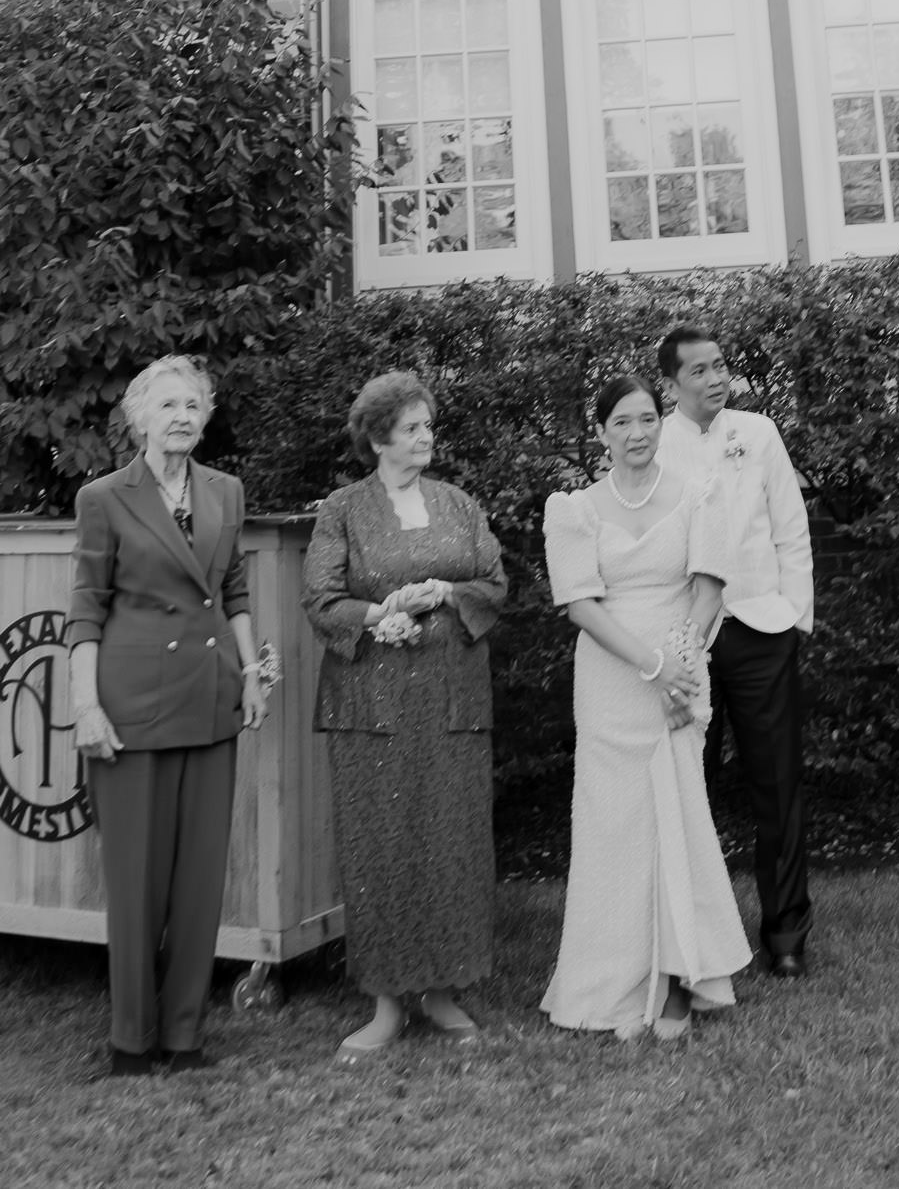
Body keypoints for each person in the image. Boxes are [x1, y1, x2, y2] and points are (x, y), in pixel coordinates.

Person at [66, 354, 269, 1075]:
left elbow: (235, 589)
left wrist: (251, 672)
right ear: (139, 418)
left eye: (193, 405)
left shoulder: (225, 490)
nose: (182, 416)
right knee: (135, 880)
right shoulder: (104, 497)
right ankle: (130, 1040)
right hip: (131, 707)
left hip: (211, 698)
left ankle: (183, 1038)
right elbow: (86, 608)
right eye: (168, 405)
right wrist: (85, 706)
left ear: (205, 416)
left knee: (199, 879)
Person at [302, 371, 507, 1061]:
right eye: (415, 426)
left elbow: (496, 583)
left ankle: (444, 992)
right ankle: (387, 1003)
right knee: (380, 847)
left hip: (452, 701)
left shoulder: (459, 502)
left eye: (428, 425)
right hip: (373, 707)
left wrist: (448, 590)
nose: (427, 436)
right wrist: (379, 614)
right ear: (380, 435)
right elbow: (322, 600)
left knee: (453, 842)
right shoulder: (342, 510)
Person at [540, 372, 751, 1040]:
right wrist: (650, 664)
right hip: (611, 679)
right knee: (613, 827)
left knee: (678, 815)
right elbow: (580, 604)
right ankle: (613, 981)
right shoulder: (574, 509)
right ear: (600, 433)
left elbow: (709, 584)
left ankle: (681, 977)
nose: (637, 433)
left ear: (661, 425)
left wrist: (682, 662)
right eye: (622, 423)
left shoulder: (697, 495)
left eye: (647, 420)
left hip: (681, 672)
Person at [655, 325, 814, 977]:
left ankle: (786, 933)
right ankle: (692, 933)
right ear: (671, 385)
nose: (717, 378)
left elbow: (790, 524)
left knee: (776, 783)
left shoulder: (760, 432)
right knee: (688, 786)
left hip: (759, 627)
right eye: (700, 371)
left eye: (721, 366)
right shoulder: (652, 440)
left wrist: (795, 615)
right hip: (686, 634)